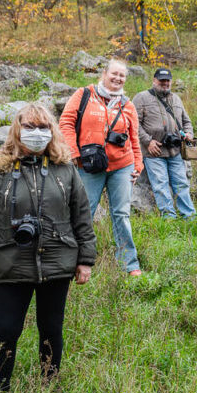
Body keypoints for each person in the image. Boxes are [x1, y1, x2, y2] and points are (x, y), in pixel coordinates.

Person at [0, 103, 96, 393]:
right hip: (12, 262)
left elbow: (82, 217)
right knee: (6, 330)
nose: (36, 133)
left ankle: (49, 386)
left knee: (51, 328)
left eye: (43, 127)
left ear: (51, 131)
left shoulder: (66, 169)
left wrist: (85, 259)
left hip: (57, 262)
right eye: (29, 126)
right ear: (17, 129)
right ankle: (0, 392)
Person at [58, 59, 145, 276]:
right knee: (84, 212)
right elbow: (66, 123)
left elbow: (134, 138)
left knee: (122, 214)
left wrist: (138, 164)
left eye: (122, 76)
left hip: (122, 166)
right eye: (114, 74)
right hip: (89, 165)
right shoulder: (84, 94)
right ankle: (75, 259)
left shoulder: (128, 105)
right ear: (104, 73)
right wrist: (74, 154)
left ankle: (129, 263)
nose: (117, 79)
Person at [133, 67, 197, 220]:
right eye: (161, 80)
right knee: (160, 185)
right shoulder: (141, 98)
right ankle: (168, 217)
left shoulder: (176, 98)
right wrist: (148, 142)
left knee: (182, 184)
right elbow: (134, 123)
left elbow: (187, 121)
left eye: (167, 80)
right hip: (154, 151)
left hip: (175, 150)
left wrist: (189, 134)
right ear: (154, 81)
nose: (165, 83)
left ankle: (189, 216)